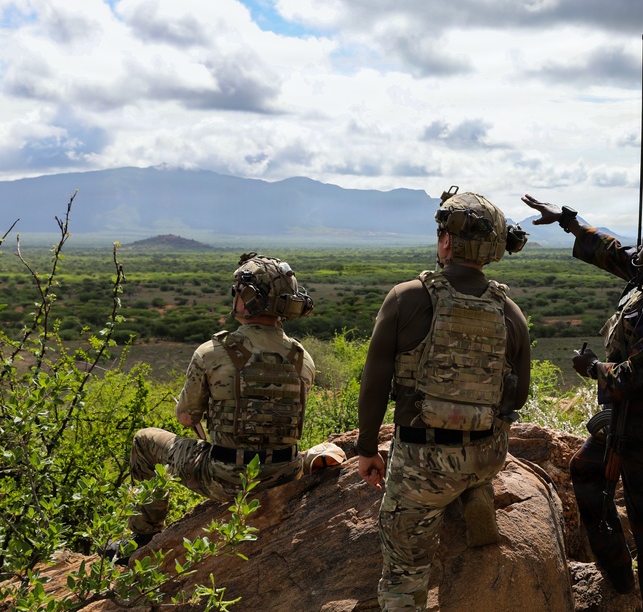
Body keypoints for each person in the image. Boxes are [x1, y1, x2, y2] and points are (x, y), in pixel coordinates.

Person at [522, 194, 643, 612]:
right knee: (587, 469)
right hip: (626, 413)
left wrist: (591, 368)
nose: (637, 247)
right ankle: (619, 575)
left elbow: (642, 376)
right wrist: (568, 222)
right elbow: (614, 252)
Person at [356, 189, 531, 612]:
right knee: (470, 463)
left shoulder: (407, 297)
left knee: (403, 577)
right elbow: (517, 397)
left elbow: (374, 382)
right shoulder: (510, 311)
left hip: (423, 464)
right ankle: (473, 489)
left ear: (448, 242)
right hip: (486, 454)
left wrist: (366, 450)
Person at [104, 252, 327, 563]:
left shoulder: (212, 352)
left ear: (250, 299)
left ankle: (143, 538)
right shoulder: (304, 359)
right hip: (284, 474)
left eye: (240, 292)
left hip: (227, 479)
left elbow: (185, 417)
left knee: (144, 441)